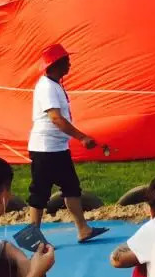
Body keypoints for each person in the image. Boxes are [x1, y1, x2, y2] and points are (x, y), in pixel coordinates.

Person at [27, 43, 108, 243]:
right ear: (57, 64)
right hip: (45, 149)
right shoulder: (47, 87)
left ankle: (83, 229)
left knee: (71, 187)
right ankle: (33, 235)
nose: (70, 65)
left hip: (57, 148)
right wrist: (82, 137)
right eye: (67, 61)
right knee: (40, 192)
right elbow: (56, 118)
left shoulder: (54, 85)